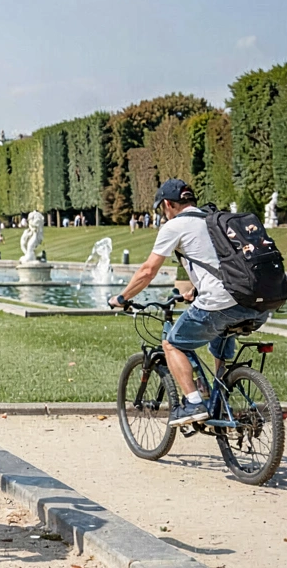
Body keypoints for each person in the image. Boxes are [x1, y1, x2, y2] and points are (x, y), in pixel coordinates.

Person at [108, 179, 272, 425]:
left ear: (167, 204)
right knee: (220, 337)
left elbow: (147, 271)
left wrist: (122, 298)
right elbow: (225, 263)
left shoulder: (175, 226)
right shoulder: (214, 220)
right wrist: (197, 289)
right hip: (258, 302)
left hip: (221, 302)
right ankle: (221, 398)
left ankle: (194, 402)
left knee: (172, 343)